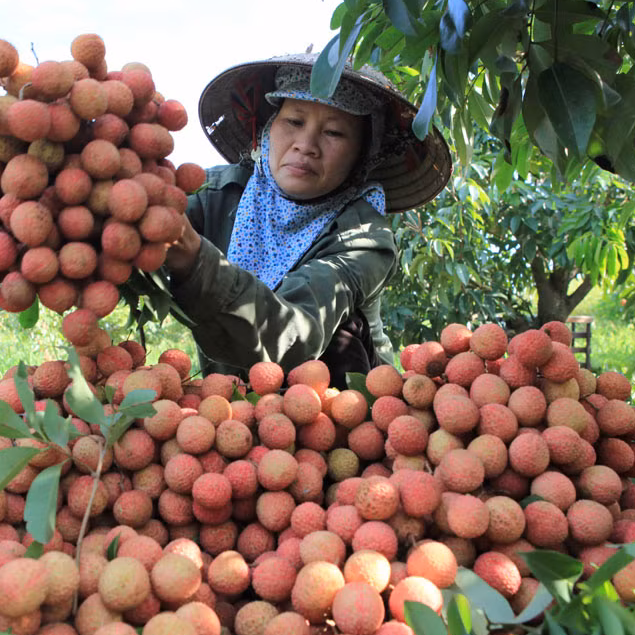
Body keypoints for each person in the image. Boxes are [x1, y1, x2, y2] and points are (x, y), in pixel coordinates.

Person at [164, 53, 452, 388]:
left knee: (342, 329)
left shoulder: (364, 235)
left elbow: (297, 333)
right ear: (270, 129)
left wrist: (191, 256)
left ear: (361, 156)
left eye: (334, 133)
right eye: (295, 122)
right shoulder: (216, 193)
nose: (306, 145)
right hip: (234, 407)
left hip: (342, 404)